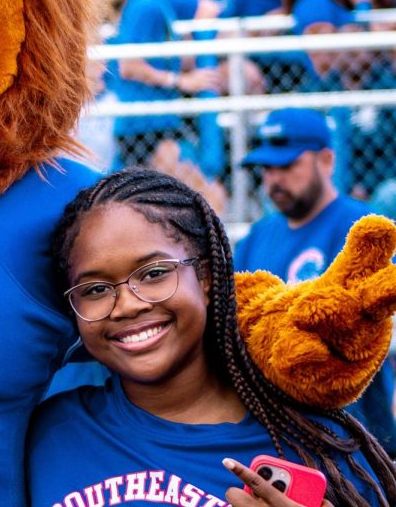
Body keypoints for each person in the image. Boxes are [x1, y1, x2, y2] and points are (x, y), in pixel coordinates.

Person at [31, 168, 396, 507]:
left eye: (154, 273)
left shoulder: (316, 445)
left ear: (205, 277)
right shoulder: (49, 434)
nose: (126, 305)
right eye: (94, 290)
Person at [235, 108, 396, 452]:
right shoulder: (257, 236)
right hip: (271, 430)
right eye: (267, 168)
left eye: (287, 165)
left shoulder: (362, 229)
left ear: (326, 160)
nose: (274, 179)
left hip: (351, 430)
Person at [110, 0, 222, 168]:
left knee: (206, 193)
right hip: (145, 127)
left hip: (159, 122)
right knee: (199, 195)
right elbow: (129, 66)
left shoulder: (157, 2)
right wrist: (180, 81)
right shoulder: (145, 5)